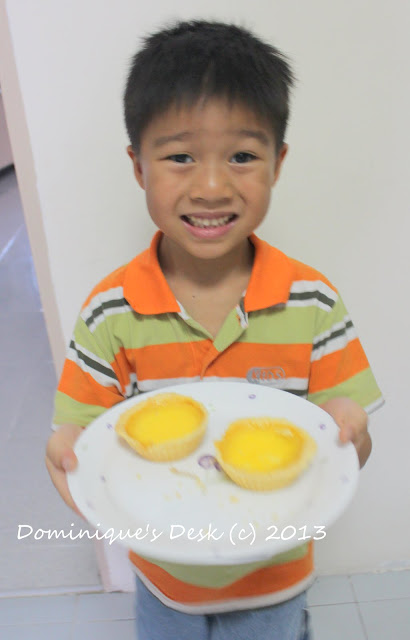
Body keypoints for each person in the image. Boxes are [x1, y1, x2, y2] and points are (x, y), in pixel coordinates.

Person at [45, 19, 383, 640]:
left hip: (275, 577)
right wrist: (63, 456)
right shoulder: (109, 312)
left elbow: (348, 439)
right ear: (138, 166)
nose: (210, 186)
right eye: (179, 157)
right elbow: (78, 439)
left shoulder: (312, 299)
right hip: (164, 581)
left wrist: (351, 433)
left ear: (278, 164)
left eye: (242, 156)